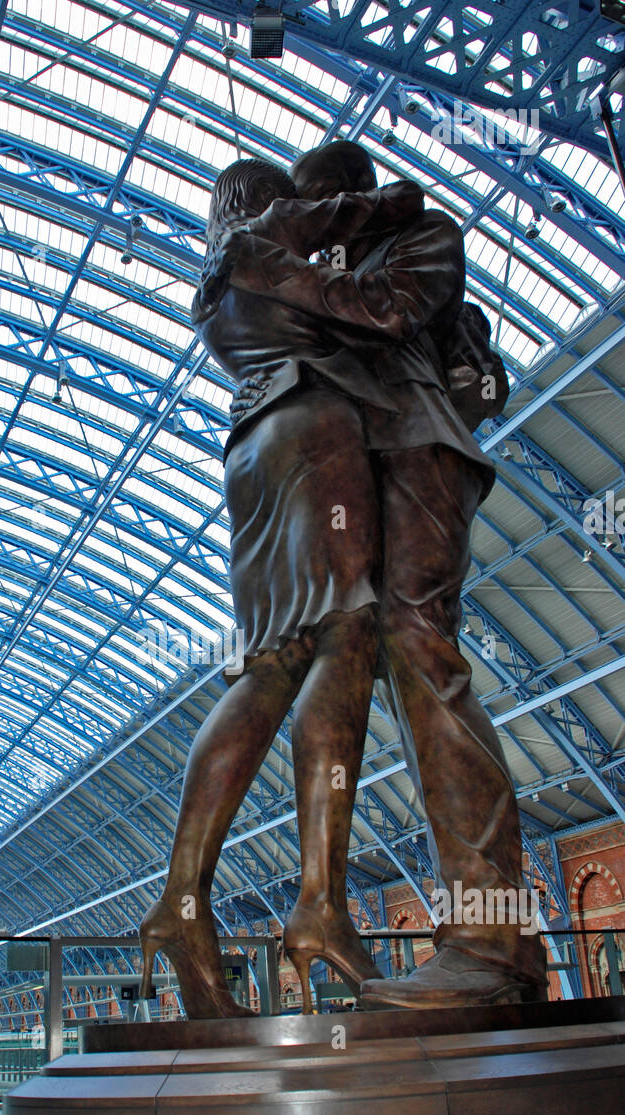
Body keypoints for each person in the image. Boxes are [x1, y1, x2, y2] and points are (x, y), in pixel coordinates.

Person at [208, 140, 547, 1010]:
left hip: (423, 450)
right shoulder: (325, 279)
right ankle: (480, 939)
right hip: (364, 457)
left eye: (329, 205)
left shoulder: (422, 238)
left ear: (362, 198)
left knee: (422, 651)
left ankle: (491, 941)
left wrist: (265, 265)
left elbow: (390, 313)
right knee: (378, 653)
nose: (323, 229)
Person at [139, 158, 423, 1017]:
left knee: (270, 660)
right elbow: (362, 276)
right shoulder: (271, 245)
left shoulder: (217, 286)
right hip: (315, 437)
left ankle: (183, 901)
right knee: (347, 631)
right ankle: (321, 901)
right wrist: (386, 205)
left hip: (251, 457)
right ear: (270, 207)